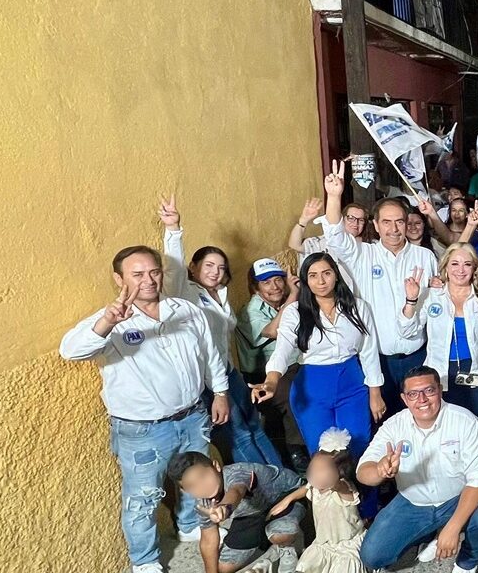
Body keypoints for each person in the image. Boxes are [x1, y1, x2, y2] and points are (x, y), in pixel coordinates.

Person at [60, 246, 230, 572]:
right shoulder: (111, 319)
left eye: (153, 272)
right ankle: (145, 562)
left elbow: (209, 354)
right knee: (143, 499)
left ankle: (189, 525)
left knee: (196, 479)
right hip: (143, 430)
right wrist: (109, 321)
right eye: (137, 275)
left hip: (193, 415)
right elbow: (71, 350)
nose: (148, 281)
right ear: (118, 278)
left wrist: (220, 391)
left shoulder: (185, 309)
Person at [250, 252, 384, 517]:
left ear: (336, 274)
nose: (321, 281)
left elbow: (369, 352)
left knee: (358, 448)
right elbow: (283, 350)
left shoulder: (357, 307)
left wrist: (375, 394)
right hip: (312, 389)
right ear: (304, 280)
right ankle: (329, 516)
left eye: (326, 273)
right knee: (322, 456)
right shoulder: (295, 312)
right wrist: (272, 381)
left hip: (352, 384)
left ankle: (366, 513)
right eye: (313, 275)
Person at [158, 196, 282, 467]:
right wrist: (173, 229)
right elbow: (173, 269)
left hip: (227, 372)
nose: (215, 272)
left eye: (221, 267)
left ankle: (281, 479)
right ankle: (262, 490)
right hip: (206, 380)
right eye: (208, 266)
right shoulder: (184, 293)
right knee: (239, 435)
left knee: (254, 425)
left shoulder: (222, 294)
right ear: (194, 267)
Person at [357, 367, 478, 573]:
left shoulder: (466, 421)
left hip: (457, 497)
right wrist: (379, 472)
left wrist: (453, 528)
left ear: (440, 390)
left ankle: (468, 562)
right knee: (372, 556)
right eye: (413, 394)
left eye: (429, 391)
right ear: (404, 399)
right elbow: (362, 471)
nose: (422, 399)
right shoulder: (394, 426)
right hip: (412, 502)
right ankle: (431, 533)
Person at [400, 243, 478, 502]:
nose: (460, 270)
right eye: (454, 264)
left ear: (475, 268)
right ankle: (461, 478)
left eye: (467, 264)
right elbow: (407, 331)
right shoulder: (431, 296)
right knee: (449, 429)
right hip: (441, 375)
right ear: (445, 268)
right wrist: (411, 299)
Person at [321, 160, 437, 415]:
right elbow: (335, 237)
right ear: (375, 225)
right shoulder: (363, 254)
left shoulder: (424, 257)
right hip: (376, 361)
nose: (393, 229)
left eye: (399, 222)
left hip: (417, 356)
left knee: (420, 419)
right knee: (383, 423)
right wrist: (334, 196)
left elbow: (433, 305)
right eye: (386, 222)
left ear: (407, 223)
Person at [167, 452, 305, 573]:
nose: (202, 486)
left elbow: (237, 491)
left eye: (203, 476)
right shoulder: (203, 504)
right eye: (192, 485)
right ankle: (266, 544)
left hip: (284, 498)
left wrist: (223, 507)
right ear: (185, 491)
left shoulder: (238, 472)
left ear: (216, 466)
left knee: (280, 535)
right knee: (222, 568)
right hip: (251, 514)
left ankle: (287, 547)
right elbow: (209, 540)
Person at [236, 259, 307, 469]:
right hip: (263, 374)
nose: (275, 286)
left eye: (278, 280)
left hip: (294, 364)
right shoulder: (250, 311)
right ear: (255, 287)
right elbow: (273, 331)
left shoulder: (287, 301)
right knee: (291, 395)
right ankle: (297, 452)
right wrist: (294, 295)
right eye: (266, 282)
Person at [266, 428, 366, 573]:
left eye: (322, 470)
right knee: (305, 568)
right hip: (323, 543)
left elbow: (343, 490)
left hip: (346, 545)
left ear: (339, 473)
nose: (316, 474)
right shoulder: (315, 487)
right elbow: (306, 488)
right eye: (314, 469)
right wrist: (287, 499)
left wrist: (335, 481)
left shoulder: (343, 488)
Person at [287, 197, 360, 290]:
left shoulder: (365, 247)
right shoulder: (319, 242)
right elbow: (295, 245)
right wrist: (303, 221)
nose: (356, 223)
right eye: (351, 218)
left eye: (361, 220)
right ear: (342, 219)